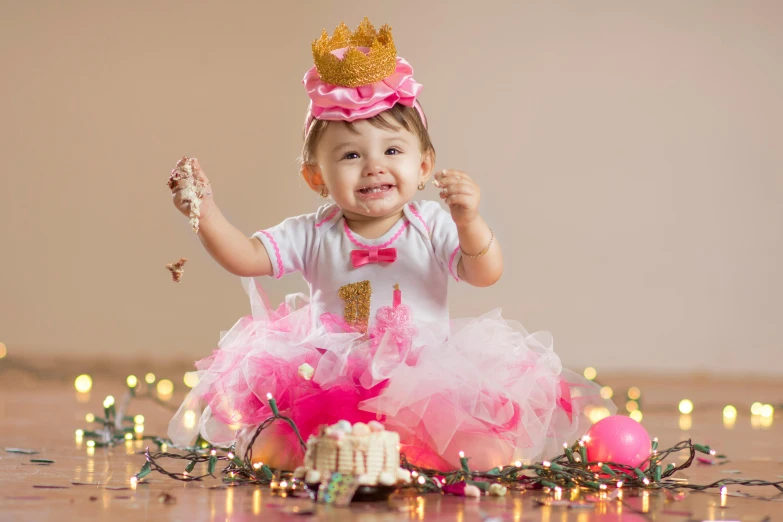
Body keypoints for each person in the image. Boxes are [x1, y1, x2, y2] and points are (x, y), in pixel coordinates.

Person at [167, 18, 615, 472]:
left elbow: (485, 273)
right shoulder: (313, 232)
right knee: (280, 453)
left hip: (426, 379)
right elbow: (245, 258)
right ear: (316, 177)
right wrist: (202, 211)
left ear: (424, 166)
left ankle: (404, 457)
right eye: (351, 155)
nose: (374, 166)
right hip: (329, 378)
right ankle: (360, 459)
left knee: (478, 455)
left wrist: (470, 222)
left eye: (393, 151)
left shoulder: (433, 224)